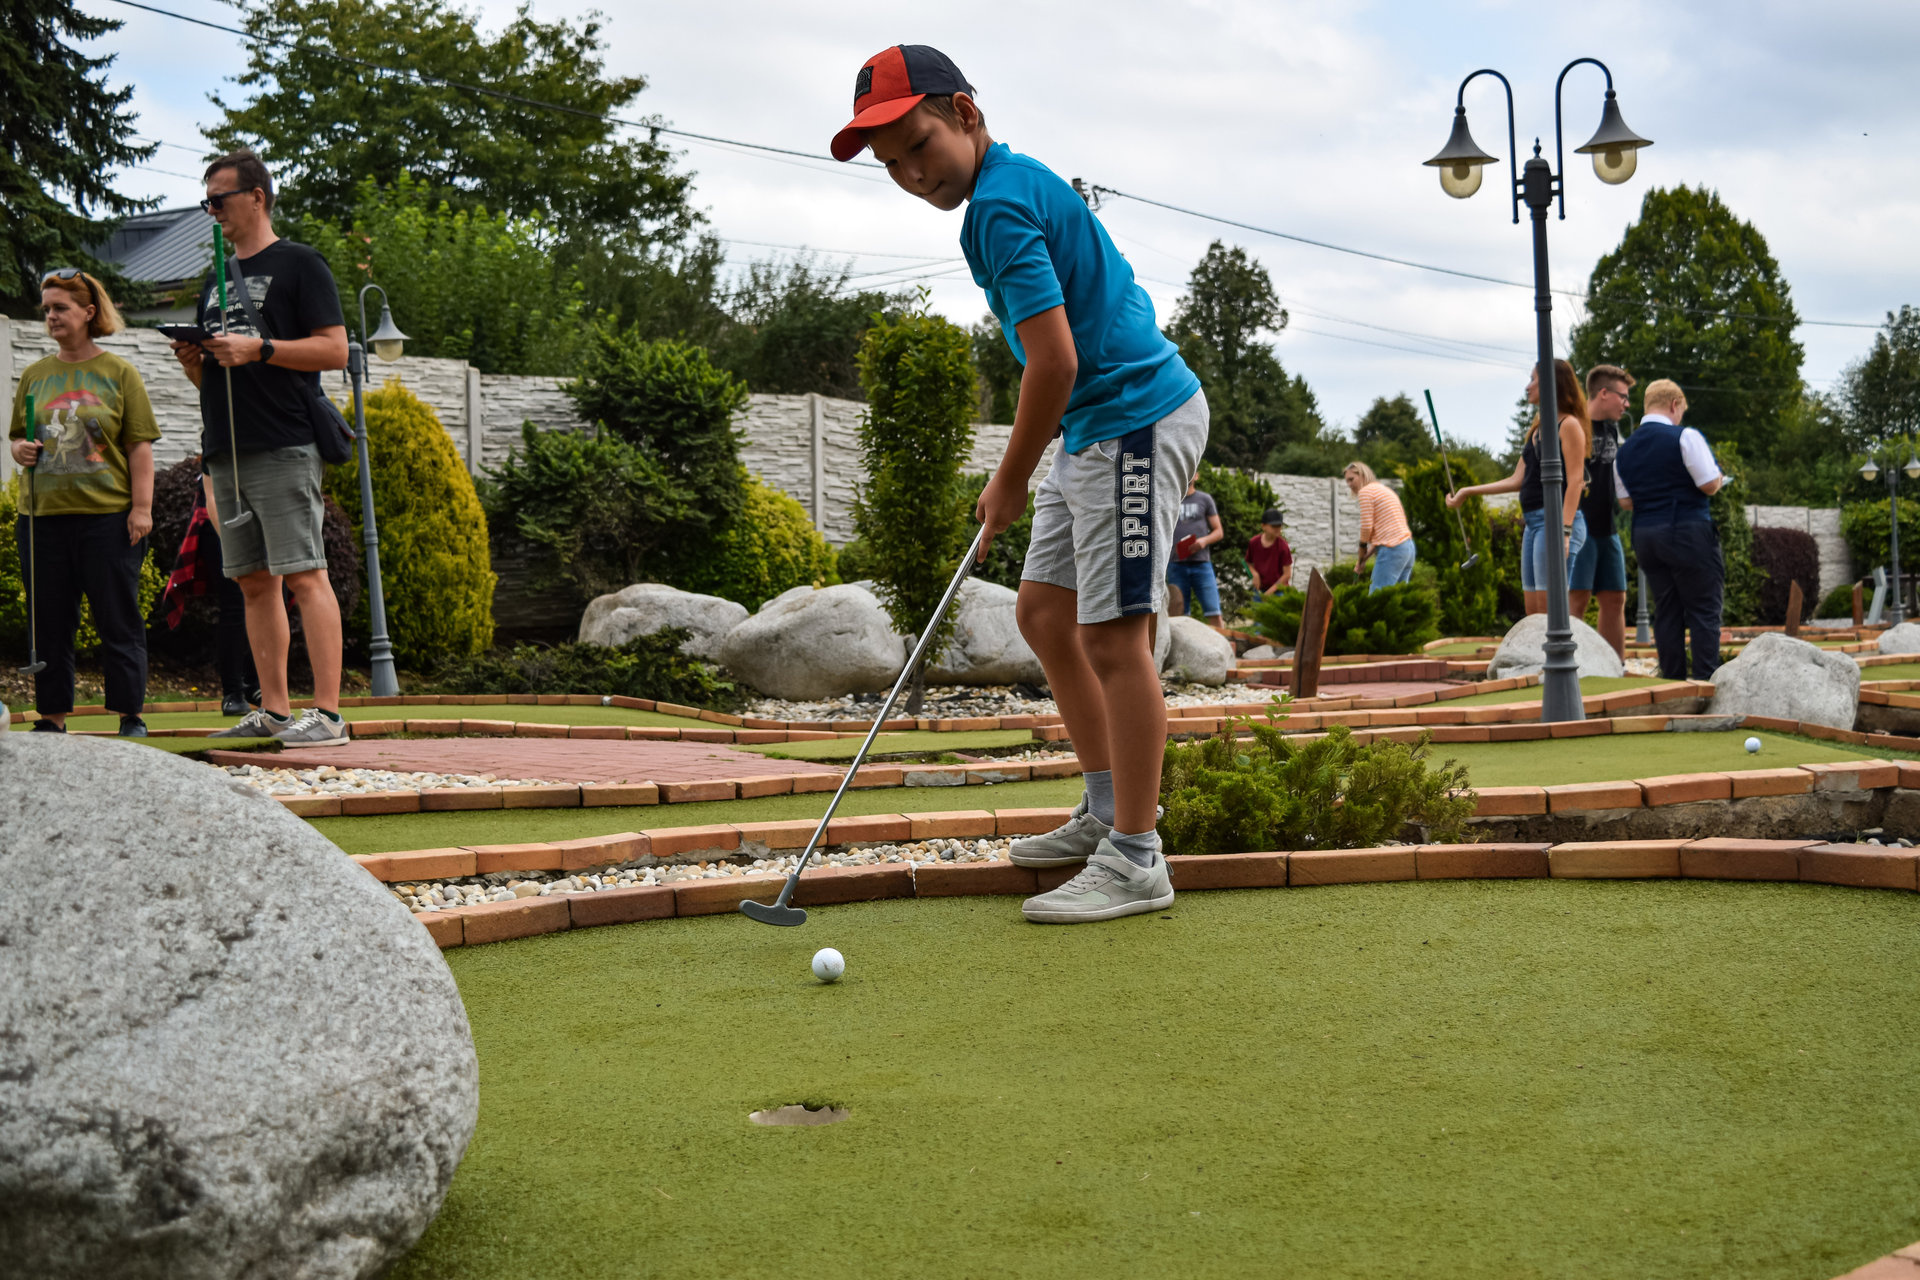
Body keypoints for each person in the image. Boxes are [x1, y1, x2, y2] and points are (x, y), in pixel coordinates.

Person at [835, 45, 1205, 924]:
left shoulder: (1001, 206)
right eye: (891, 166)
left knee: (1114, 636)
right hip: (1096, 426)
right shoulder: (1004, 194)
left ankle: (1137, 857)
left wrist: (1007, 480)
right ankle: (1107, 809)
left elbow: (1054, 360)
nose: (911, 174)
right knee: (1043, 613)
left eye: (918, 146)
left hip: (1134, 417)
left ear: (964, 112)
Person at [170, 149, 351, 746]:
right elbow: (216, 381)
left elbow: (334, 350)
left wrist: (261, 349)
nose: (212, 211)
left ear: (256, 196)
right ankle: (273, 710)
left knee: (304, 574)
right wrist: (195, 363)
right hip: (226, 450)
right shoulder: (213, 281)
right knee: (251, 582)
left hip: (283, 442)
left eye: (219, 199)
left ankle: (329, 716)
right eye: (206, 203)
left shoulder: (300, 263)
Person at [8, 269, 157, 737]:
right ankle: (52, 718)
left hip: (108, 519)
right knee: (49, 622)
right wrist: (20, 450)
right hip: (41, 520)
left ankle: (130, 715)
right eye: (47, 309)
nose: (51, 316)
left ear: (89, 312)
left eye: (61, 308)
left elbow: (139, 446)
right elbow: (18, 437)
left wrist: (142, 508)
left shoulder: (120, 373)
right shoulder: (35, 375)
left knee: (118, 618)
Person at [1446, 360, 1590, 614]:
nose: (1528, 387)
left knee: (1549, 613)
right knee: (1534, 613)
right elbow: (1517, 480)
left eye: (1534, 380)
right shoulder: (1538, 429)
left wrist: (1564, 531)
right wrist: (1468, 491)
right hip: (1533, 524)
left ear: (1552, 384)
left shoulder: (1568, 425)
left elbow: (1576, 480)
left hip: (1555, 522)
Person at [1615, 379, 1725, 680]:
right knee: (1703, 608)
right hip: (1686, 529)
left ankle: (1672, 682)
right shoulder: (1685, 436)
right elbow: (1708, 483)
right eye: (1680, 412)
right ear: (1674, 405)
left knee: (1666, 609)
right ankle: (1705, 681)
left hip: (1646, 536)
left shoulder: (1624, 451)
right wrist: (1718, 478)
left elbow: (1625, 501)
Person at [1572, 365, 1635, 659]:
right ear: (1604, 393)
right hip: (1578, 527)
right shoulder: (1574, 425)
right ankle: (1571, 667)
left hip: (1607, 529)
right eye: (1623, 396)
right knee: (1577, 599)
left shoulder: (1611, 429)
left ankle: (1614, 668)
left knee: (1615, 598)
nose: (1627, 404)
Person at [1165, 472, 1225, 631]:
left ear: (1197, 476)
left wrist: (1203, 541)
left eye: (1192, 471)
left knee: (1214, 611)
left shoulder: (1205, 499)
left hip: (1201, 564)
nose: (1188, 474)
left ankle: (1224, 644)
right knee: (1178, 615)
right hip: (1175, 564)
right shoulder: (1170, 499)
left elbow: (1219, 531)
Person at [1344, 461, 1415, 591]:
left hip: (1393, 550)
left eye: (1351, 479)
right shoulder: (1383, 489)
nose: (1349, 484)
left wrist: (1362, 548)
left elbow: (1366, 526)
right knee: (1397, 598)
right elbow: (1383, 538)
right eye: (1347, 481)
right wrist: (1363, 560)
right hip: (1407, 548)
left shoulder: (1365, 492)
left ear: (1362, 475)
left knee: (1377, 597)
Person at [1246, 506, 1293, 595]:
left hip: (1279, 589)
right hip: (1260, 589)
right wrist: (1255, 574)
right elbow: (1248, 562)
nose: (1277, 529)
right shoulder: (1254, 542)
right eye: (1273, 526)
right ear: (1263, 526)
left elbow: (1287, 574)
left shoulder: (1283, 546)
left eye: (1279, 526)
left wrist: (1269, 592)